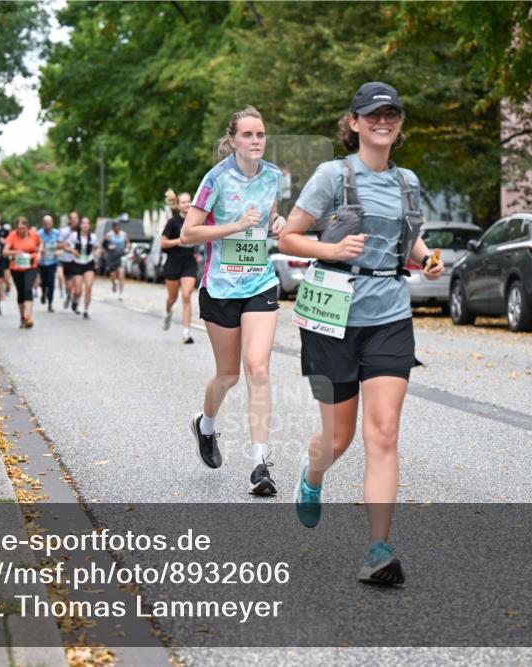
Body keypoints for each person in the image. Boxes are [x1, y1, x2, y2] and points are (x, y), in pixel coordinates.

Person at [278, 82, 445, 586]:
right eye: (372, 115)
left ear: (399, 124)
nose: (382, 121)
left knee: (384, 433)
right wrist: (331, 251)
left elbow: (408, 237)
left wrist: (426, 259)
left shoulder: (407, 181)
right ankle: (311, 479)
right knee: (338, 436)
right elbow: (287, 235)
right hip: (332, 317)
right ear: (353, 123)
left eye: (391, 114)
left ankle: (378, 549)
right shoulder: (332, 175)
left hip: (390, 314)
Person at [179, 106, 286, 496]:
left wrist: (277, 223)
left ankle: (260, 464)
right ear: (233, 140)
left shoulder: (273, 176)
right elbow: (190, 233)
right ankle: (205, 425)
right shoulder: (216, 178)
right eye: (248, 135)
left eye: (260, 134)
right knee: (228, 375)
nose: (256, 141)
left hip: (260, 283)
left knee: (257, 368)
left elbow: (271, 217)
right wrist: (235, 227)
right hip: (221, 288)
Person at [161, 191, 198, 344]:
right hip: (173, 263)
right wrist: (179, 241)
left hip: (189, 262)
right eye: (183, 202)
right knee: (172, 298)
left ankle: (186, 333)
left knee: (186, 295)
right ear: (178, 205)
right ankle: (168, 311)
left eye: (189, 201)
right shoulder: (172, 222)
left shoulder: (196, 221)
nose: (187, 204)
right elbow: (163, 243)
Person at [3, 217, 42, 328]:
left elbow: (40, 244)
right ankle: (22, 317)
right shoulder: (12, 236)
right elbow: (4, 252)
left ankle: (28, 316)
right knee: (21, 293)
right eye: (19, 228)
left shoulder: (33, 235)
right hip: (16, 267)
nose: (21, 231)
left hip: (31, 265)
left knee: (28, 289)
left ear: (28, 227)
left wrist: (39, 254)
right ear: (16, 228)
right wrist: (16, 252)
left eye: (24, 228)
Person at [65, 216, 98, 319]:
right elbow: (64, 246)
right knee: (78, 290)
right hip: (77, 263)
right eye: (83, 223)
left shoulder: (93, 237)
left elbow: (97, 247)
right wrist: (72, 251)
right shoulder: (74, 236)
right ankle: (75, 300)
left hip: (89, 263)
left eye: (87, 223)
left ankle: (86, 310)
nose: (85, 225)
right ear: (80, 225)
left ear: (89, 225)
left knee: (88, 287)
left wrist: (97, 252)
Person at [36, 215, 61, 312]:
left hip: (52, 262)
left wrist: (58, 251)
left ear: (52, 223)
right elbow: (34, 246)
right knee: (43, 282)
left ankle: (50, 303)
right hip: (42, 263)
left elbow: (61, 245)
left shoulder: (56, 233)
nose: (48, 225)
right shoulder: (39, 233)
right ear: (43, 224)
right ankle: (43, 293)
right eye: (46, 223)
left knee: (51, 282)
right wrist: (40, 250)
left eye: (49, 223)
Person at [58, 211, 80, 310]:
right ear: (70, 220)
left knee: (79, 285)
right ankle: (68, 295)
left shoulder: (83, 231)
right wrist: (71, 250)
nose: (75, 220)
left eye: (76, 218)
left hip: (80, 262)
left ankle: (76, 301)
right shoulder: (64, 231)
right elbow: (59, 244)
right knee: (69, 286)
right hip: (67, 260)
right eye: (73, 218)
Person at [104, 221, 128, 300]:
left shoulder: (124, 234)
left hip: (121, 256)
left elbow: (128, 243)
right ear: (113, 227)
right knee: (113, 275)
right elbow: (104, 244)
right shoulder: (109, 235)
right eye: (115, 227)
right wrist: (109, 247)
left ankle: (121, 294)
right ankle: (114, 283)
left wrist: (127, 248)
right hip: (112, 257)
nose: (117, 229)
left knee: (121, 275)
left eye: (118, 227)